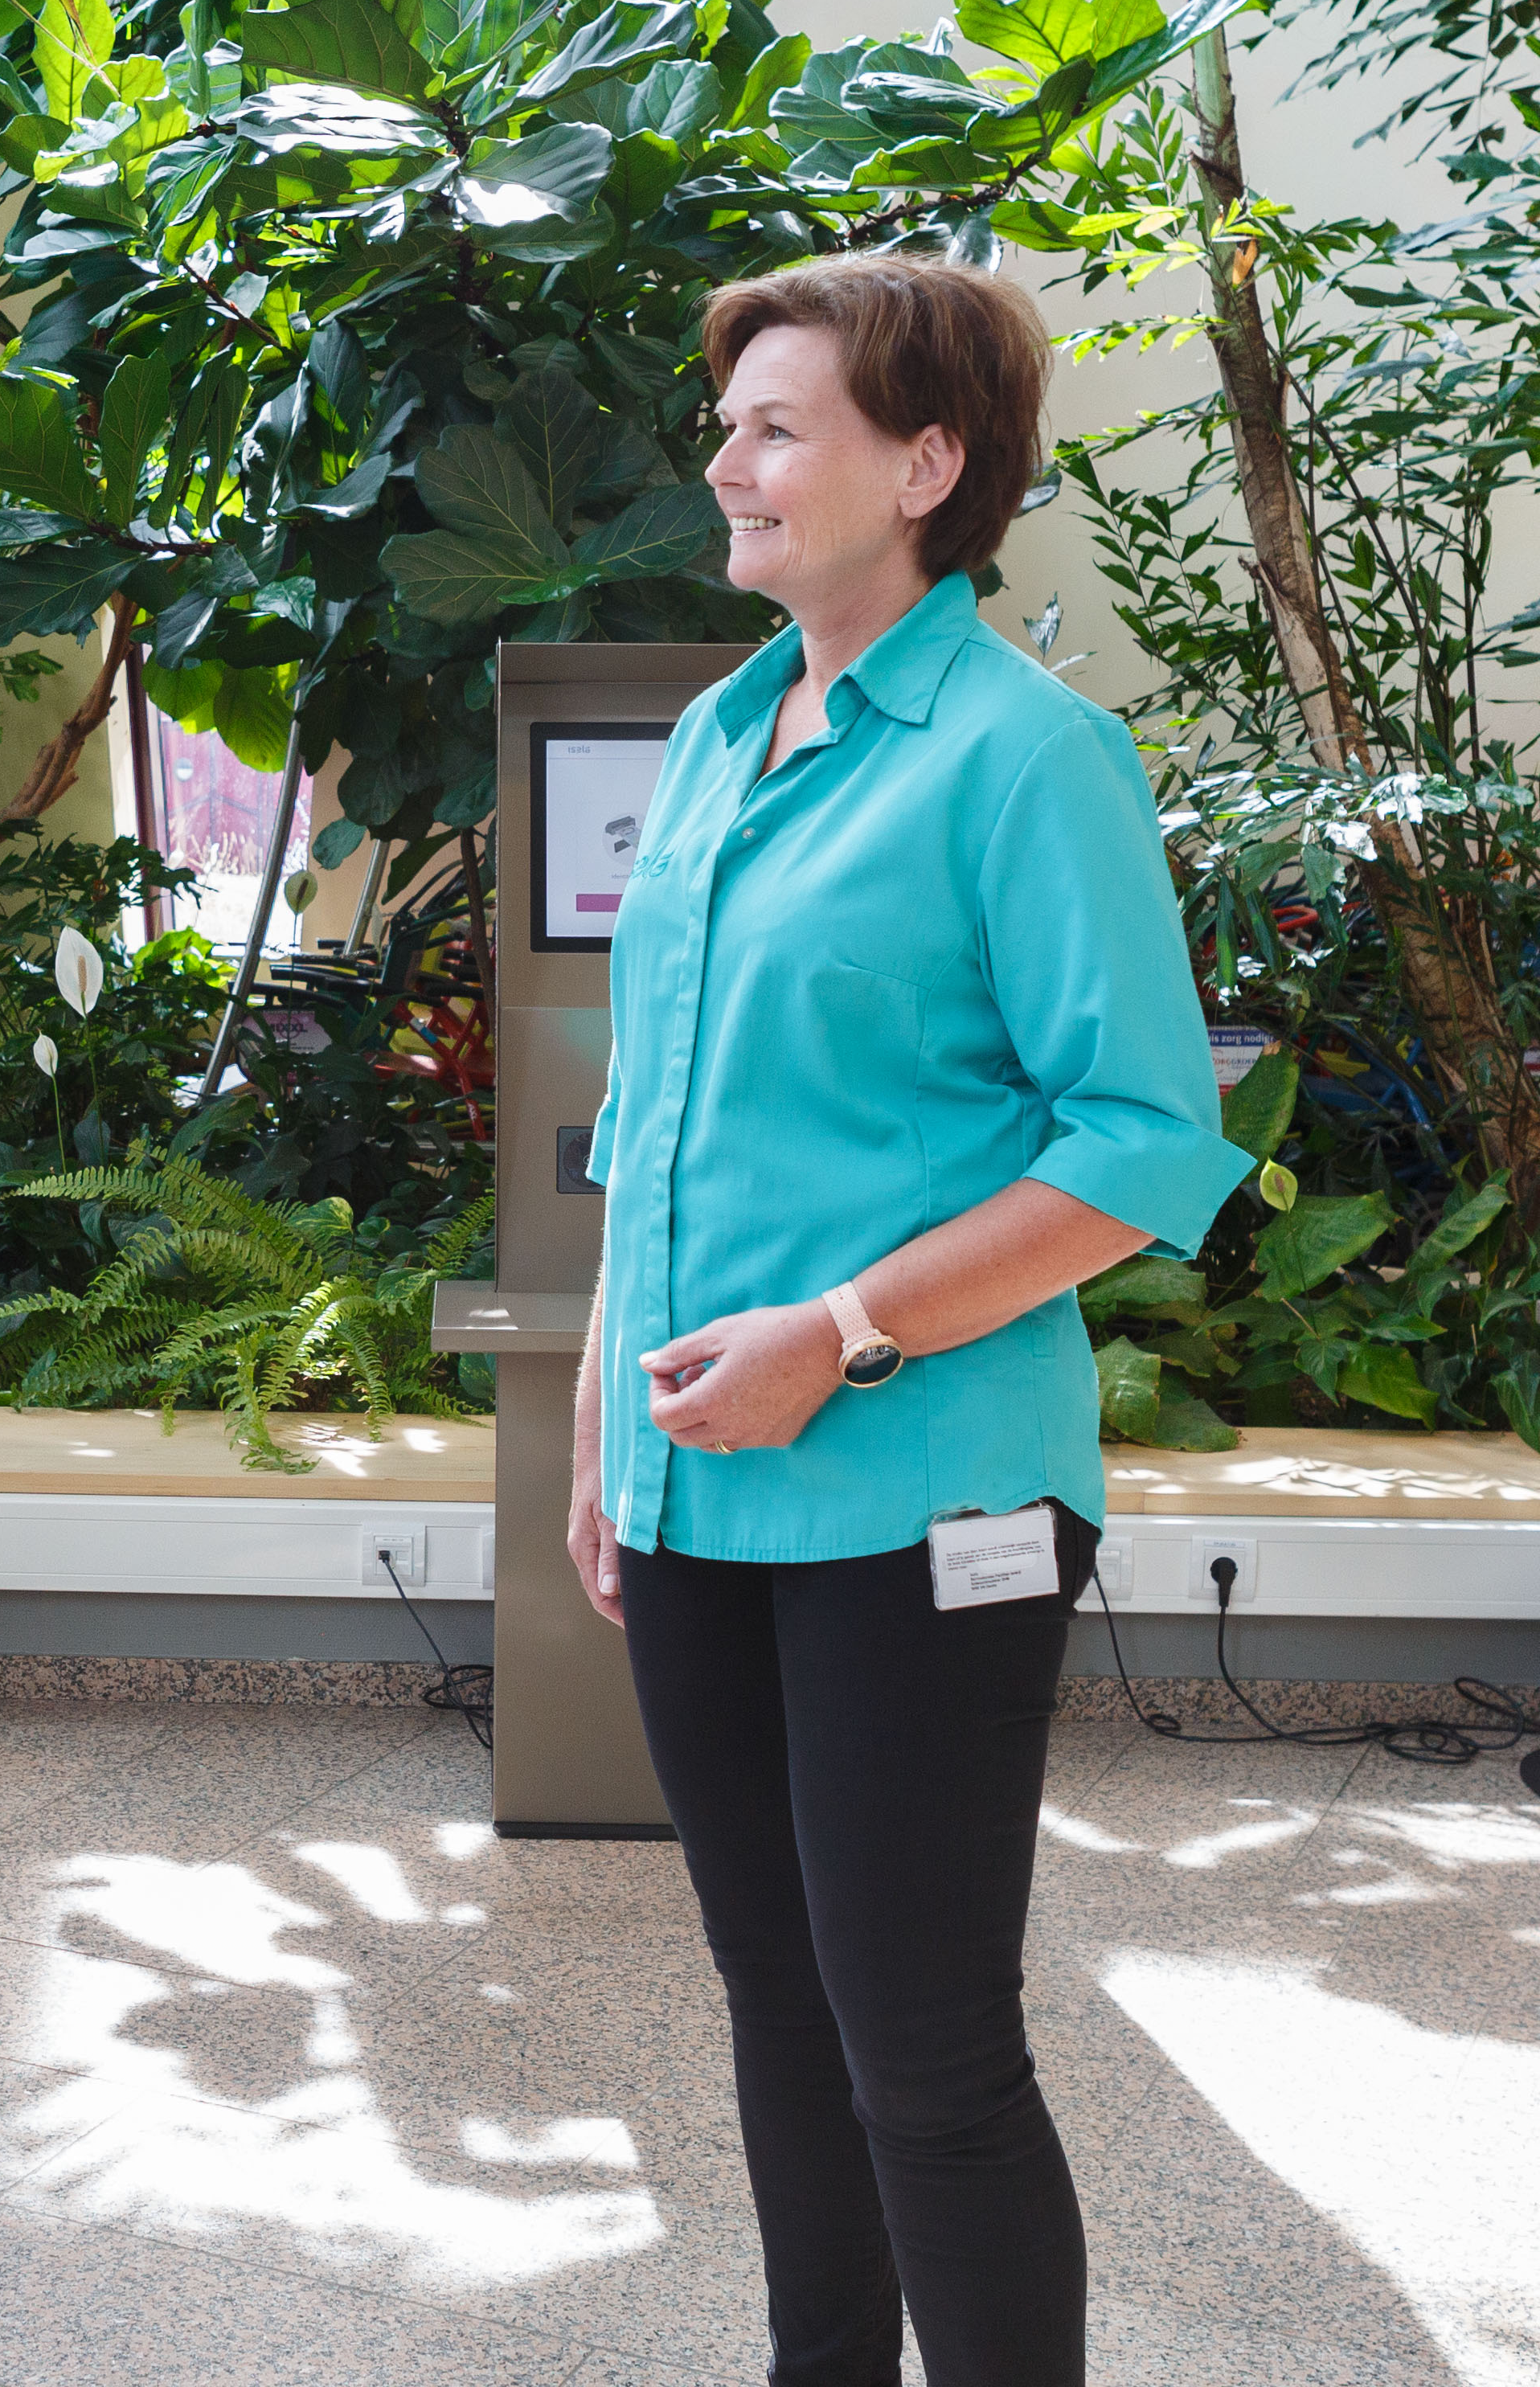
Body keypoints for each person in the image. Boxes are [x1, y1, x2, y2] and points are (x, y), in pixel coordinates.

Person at [564, 252, 1250, 2387]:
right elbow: (653, 1118)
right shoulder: (715, 727)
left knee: (927, 2041)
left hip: (923, 1494)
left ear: (928, 465)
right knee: (779, 2001)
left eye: (780, 426)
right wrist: (609, 1427)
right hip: (697, 1491)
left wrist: (841, 1331)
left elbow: (1142, 1143)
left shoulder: (1028, 762)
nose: (729, 461)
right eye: (730, 421)